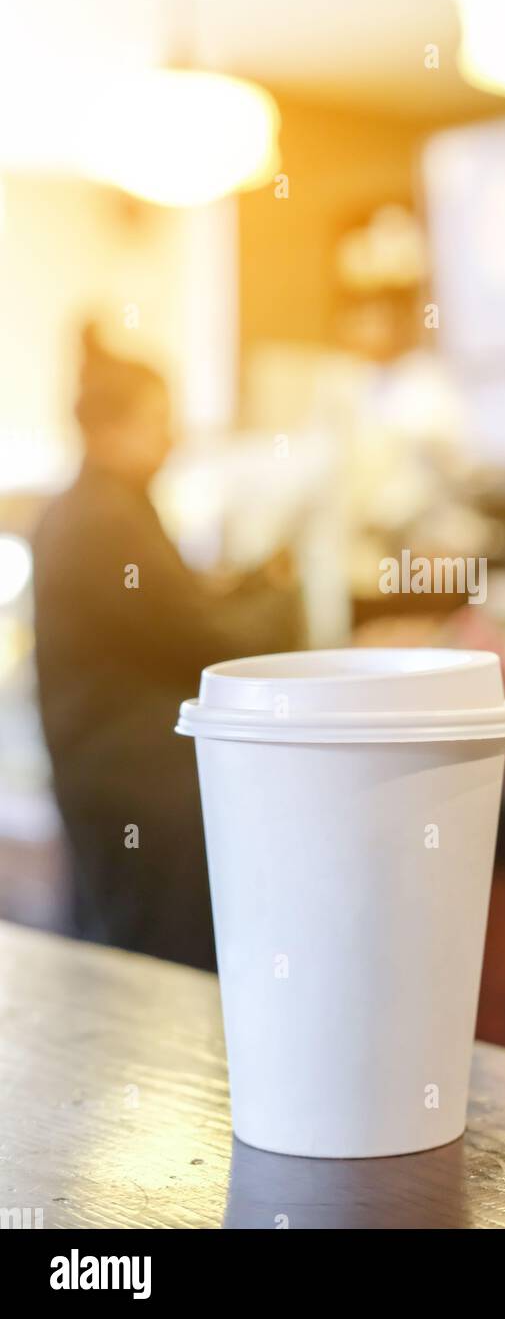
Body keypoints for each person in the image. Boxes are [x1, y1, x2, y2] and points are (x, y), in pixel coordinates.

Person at [33, 325, 304, 970]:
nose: (171, 438)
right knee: (160, 968)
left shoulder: (90, 509)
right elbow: (203, 637)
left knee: (123, 958)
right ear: (108, 431)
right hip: (138, 784)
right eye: (158, 422)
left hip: (107, 777)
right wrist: (283, 594)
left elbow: (173, 607)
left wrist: (250, 584)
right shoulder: (106, 520)